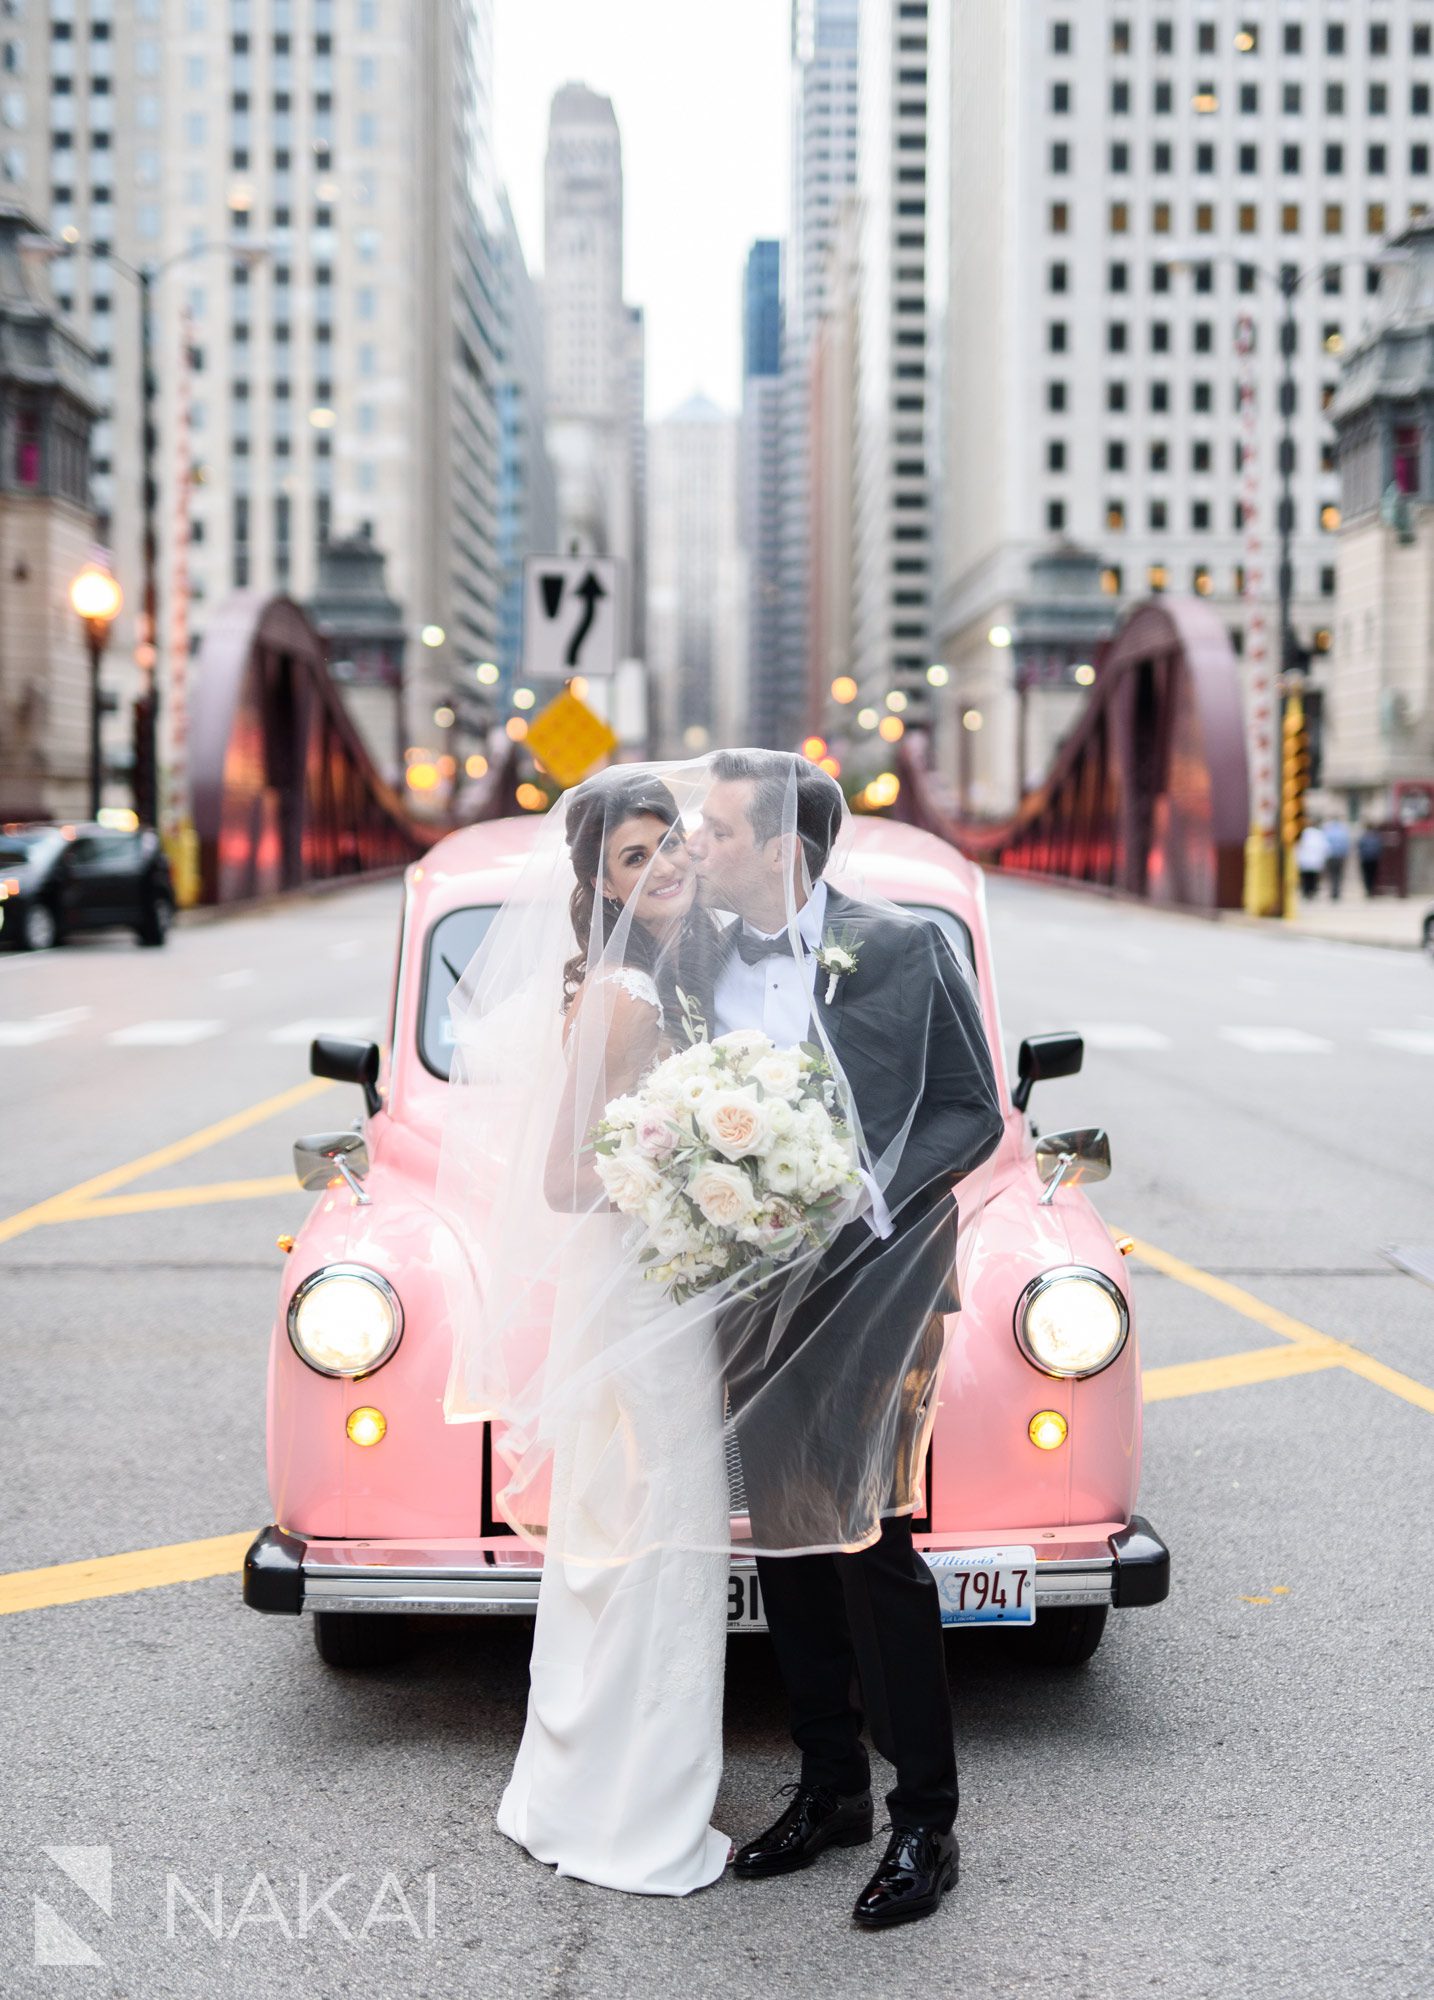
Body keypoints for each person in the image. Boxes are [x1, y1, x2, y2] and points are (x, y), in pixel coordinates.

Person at [687, 749, 1005, 1931]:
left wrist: (860, 1194)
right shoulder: (698, 957)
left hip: (883, 1287)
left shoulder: (907, 948)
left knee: (872, 1540)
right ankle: (831, 1788)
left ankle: (928, 1815)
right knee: (783, 1536)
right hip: (747, 1294)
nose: (697, 848)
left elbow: (974, 1109)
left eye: (718, 831)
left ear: (782, 847)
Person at [442, 771, 734, 1896]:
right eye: (632, 856)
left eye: (670, 847)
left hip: (661, 1282)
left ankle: (588, 1780)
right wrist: (708, 1181)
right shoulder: (621, 992)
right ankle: (637, 1810)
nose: (660, 866)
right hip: (645, 1288)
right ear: (597, 882)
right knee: (664, 1531)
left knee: (624, 1528)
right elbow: (567, 1178)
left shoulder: (663, 978)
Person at [1295, 821, 1328, 899]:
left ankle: (1306, 892)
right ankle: (1312, 892)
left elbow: (1297, 847)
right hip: (1315, 860)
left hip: (1304, 860)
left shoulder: (1302, 834)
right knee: (1313, 878)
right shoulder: (1319, 834)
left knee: (1305, 878)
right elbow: (1324, 847)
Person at [1321, 814, 1350, 899]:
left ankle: (1333, 891)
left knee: (1331, 874)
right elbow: (1346, 845)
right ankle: (1337, 892)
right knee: (1339, 875)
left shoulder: (1328, 831)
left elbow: (1324, 844)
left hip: (1331, 856)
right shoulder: (1343, 831)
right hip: (1340, 856)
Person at [1358, 821, 1383, 898]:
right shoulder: (1376, 836)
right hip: (1374, 858)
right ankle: (1371, 890)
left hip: (1365, 858)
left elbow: (1360, 846)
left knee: (1366, 875)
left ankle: (1368, 889)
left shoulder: (1364, 836)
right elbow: (1379, 847)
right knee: (1373, 875)